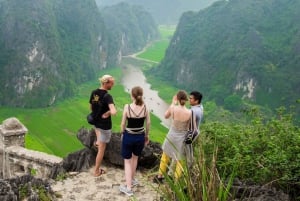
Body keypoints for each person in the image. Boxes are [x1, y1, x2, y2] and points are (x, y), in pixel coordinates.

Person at [154, 90, 195, 183]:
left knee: (165, 156)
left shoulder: (173, 108)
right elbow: (190, 128)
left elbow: (165, 116)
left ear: (178, 98)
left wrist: (173, 103)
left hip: (171, 135)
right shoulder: (190, 113)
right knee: (179, 160)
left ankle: (160, 176)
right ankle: (176, 182)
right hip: (181, 138)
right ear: (186, 100)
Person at [119, 86, 151, 196]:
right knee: (135, 158)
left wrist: (122, 133)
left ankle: (128, 188)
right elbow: (148, 123)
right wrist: (146, 136)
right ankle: (132, 179)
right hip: (140, 137)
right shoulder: (146, 107)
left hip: (129, 136)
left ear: (132, 95)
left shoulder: (127, 107)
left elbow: (123, 124)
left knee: (127, 161)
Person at [89, 74, 117, 177]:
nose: (112, 85)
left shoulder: (94, 93)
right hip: (104, 126)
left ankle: (97, 140)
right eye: (111, 83)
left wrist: (98, 114)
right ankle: (96, 171)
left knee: (98, 133)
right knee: (102, 149)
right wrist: (108, 113)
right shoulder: (107, 96)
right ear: (106, 83)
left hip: (96, 123)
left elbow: (91, 107)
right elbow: (114, 111)